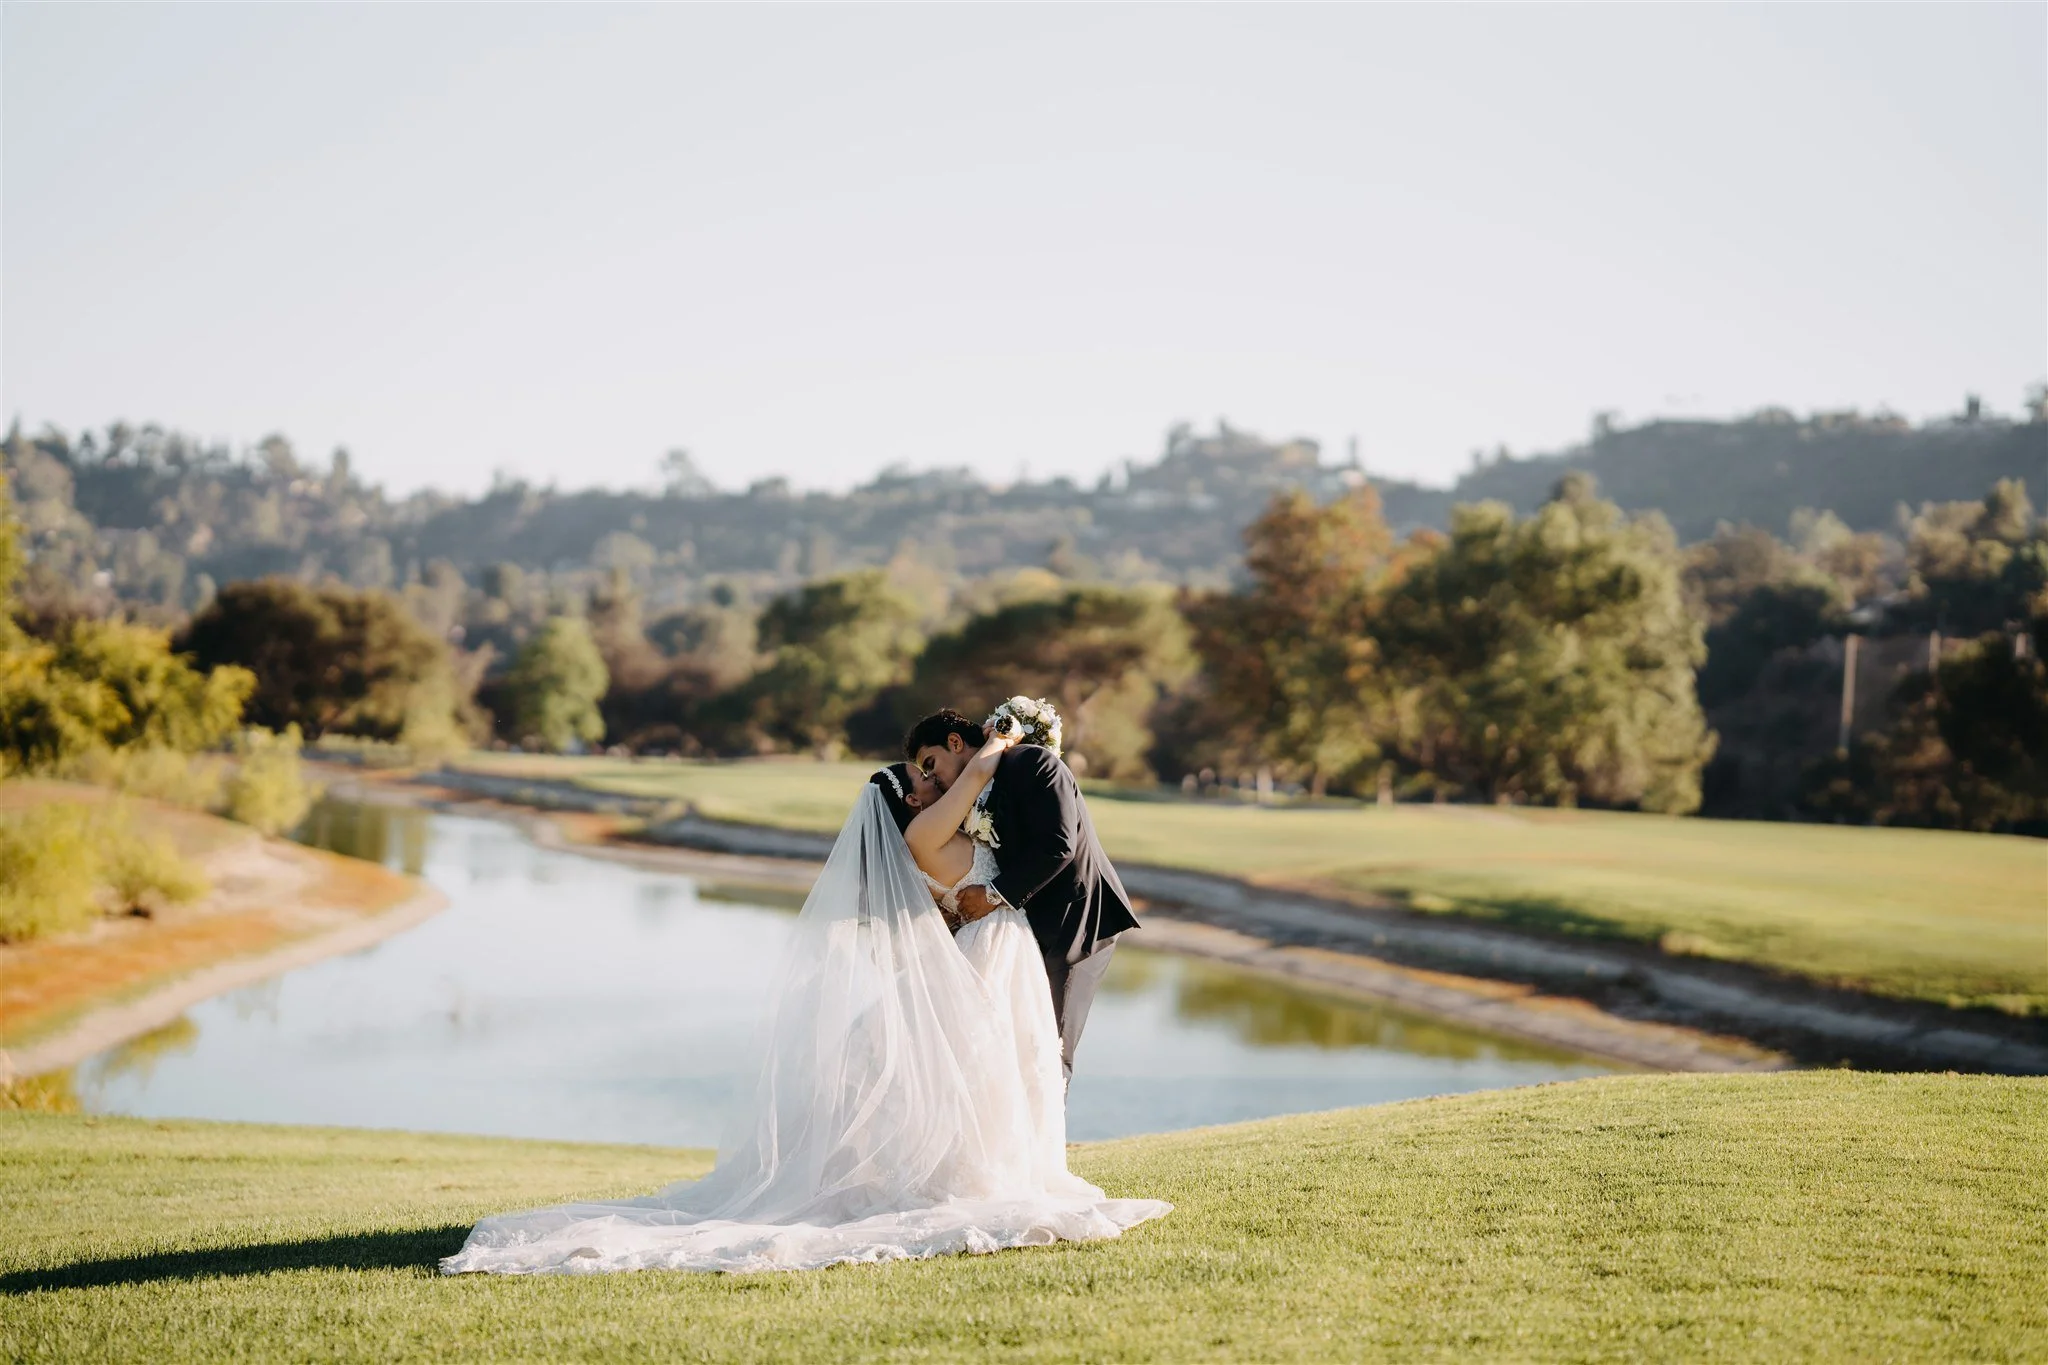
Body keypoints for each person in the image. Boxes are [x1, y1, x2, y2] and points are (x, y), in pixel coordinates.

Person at [441, 723, 1167, 1276]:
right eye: (916, 781)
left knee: (1000, 1066)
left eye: (927, 774)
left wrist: (991, 763)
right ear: (898, 806)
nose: (925, 787)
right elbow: (979, 782)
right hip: (995, 948)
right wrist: (993, 746)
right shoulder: (925, 829)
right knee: (1006, 1063)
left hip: (992, 946)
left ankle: (996, 1166)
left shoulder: (935, 823)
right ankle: (999, 1172)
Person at [905, 709, 1138, 1087]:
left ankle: (1046, 1147)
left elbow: (1059, 847)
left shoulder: (1033, 762)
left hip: (1074, 924)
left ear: (955, 742)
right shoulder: (971, 792)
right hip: (1023, 933)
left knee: (1050, 1047)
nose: (934, 779)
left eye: (932, 764)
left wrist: (994, 895)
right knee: (1011, 1046)